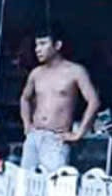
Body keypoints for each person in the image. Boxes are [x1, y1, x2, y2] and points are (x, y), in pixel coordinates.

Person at [19, 24, 100, 173]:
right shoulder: (36, 73)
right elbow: (24, 98)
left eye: (43, 44)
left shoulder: (75, 71)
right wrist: (27, 125)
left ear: (57, 45)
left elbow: (94, 101)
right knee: (26, 183)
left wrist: (79, 133)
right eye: (36, 45)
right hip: (34, 136)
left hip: (56, 139)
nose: (38, 49)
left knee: (54, 185)